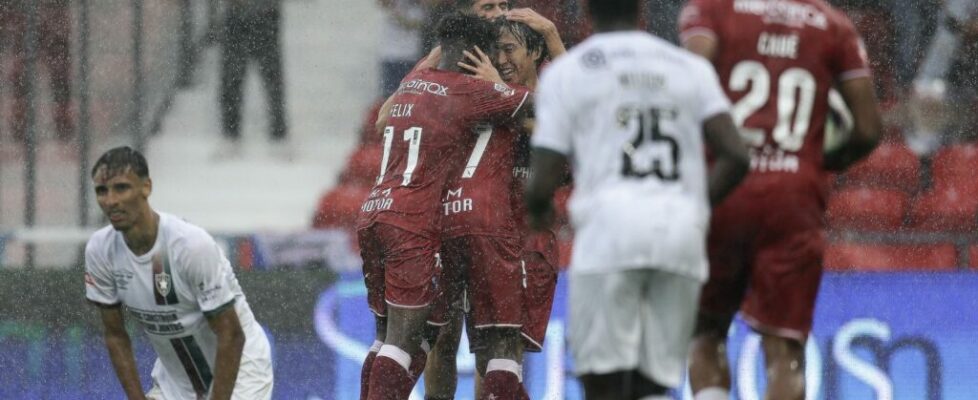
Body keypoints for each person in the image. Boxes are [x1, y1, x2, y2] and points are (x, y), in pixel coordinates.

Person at [525, 0, 751, 398]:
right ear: (642, 13)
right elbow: (735, 154)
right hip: (677, 234)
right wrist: (694, 206)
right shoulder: (687, 67)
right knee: (654, 380)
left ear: (585, 14)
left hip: (609, 232)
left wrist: (540, 212)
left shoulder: (569, 71)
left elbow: (541, 182)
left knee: (601, 379)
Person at [678, 0, 884, 398]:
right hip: (793, 197)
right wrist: (817, 161)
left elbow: (690, 81)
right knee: (785, 351)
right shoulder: (833, 25)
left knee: (705, 331)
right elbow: (868, 130)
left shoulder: (711, 10)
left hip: (722, 188)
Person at [356, 12, 532, 400]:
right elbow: (534, 106)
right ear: (477, 54)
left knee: (393, 334)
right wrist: (500, 77)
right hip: (415, 221)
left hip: (373, 211)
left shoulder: (412, 81)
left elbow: (383, 118)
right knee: (415, 338)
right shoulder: (467, 91)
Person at [424, 17, 563, 400]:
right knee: (482, 358)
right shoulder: (481, 94)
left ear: (536, 53)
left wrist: (552, 35)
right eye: (495, 50)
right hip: (477, 236)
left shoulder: (552, 98)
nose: (500, 59)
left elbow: (579, 123)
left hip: (526, 245)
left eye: (509, 50)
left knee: (502, 358)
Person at [84, 146, 273, 400]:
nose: (111, 201)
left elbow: (231, 335)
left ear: (146, 187)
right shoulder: (100, 250)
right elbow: (115, 335)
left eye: (121, 188)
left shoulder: (190, 246)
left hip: (241, 370)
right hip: (176, 379)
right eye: (101, 191)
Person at [217, 0, 288, 159]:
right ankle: (231, 134)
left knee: (269, 75)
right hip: (245, 11)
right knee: (235, 76)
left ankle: (277, 133)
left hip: (259, 11)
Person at [0, 0, 73, 142]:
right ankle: (61, 129)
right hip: (32, 21)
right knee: (23, 76)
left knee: (56, 73)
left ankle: (62, 129)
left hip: (37, 20)